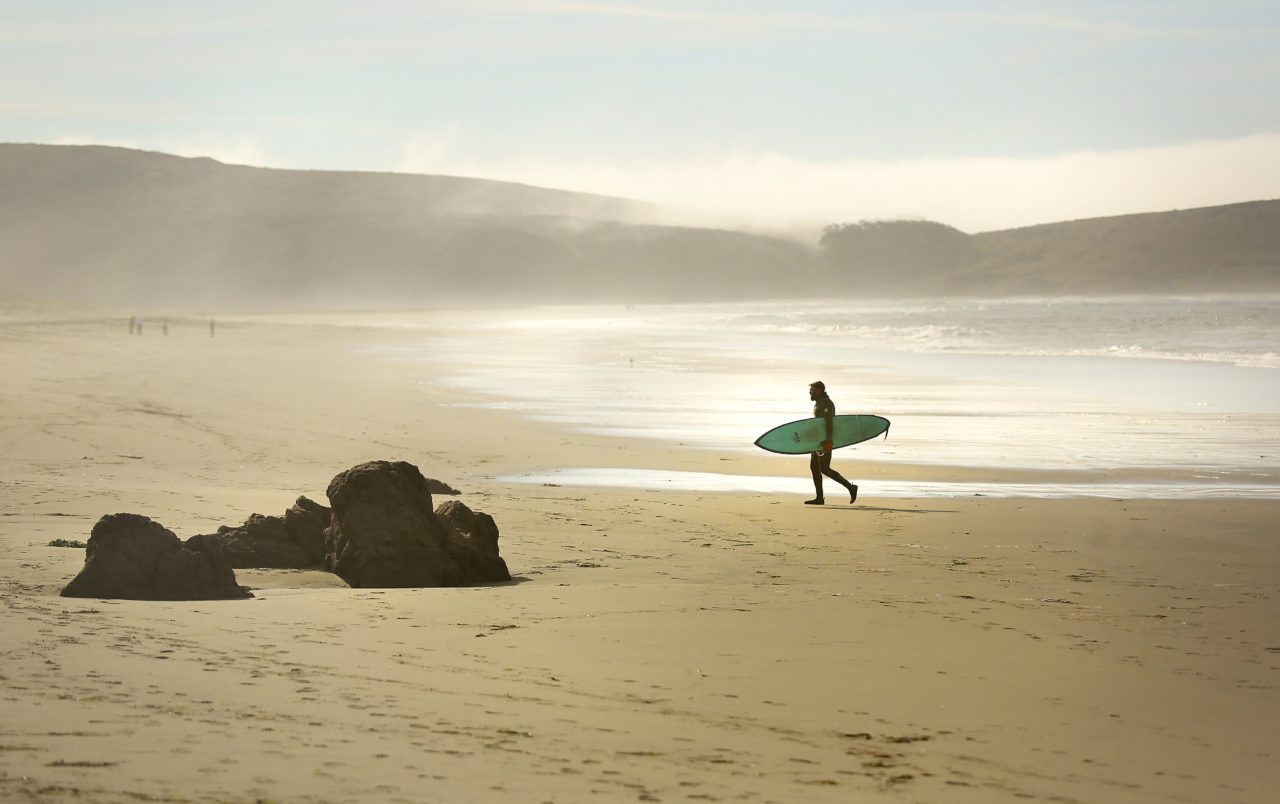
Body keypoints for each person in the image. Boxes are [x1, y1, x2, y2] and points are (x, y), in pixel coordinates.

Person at [806, 381, 859, 505]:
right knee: (815, 467)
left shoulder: (826, 403)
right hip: (818, 441)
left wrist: (828, 441)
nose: (810, 392)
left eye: (812, 390)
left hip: (824, 441)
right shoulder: (819, 403)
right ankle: (819, 498)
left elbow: (829, 423)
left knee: (824, 468)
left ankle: (851, 487)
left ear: (818, 390)